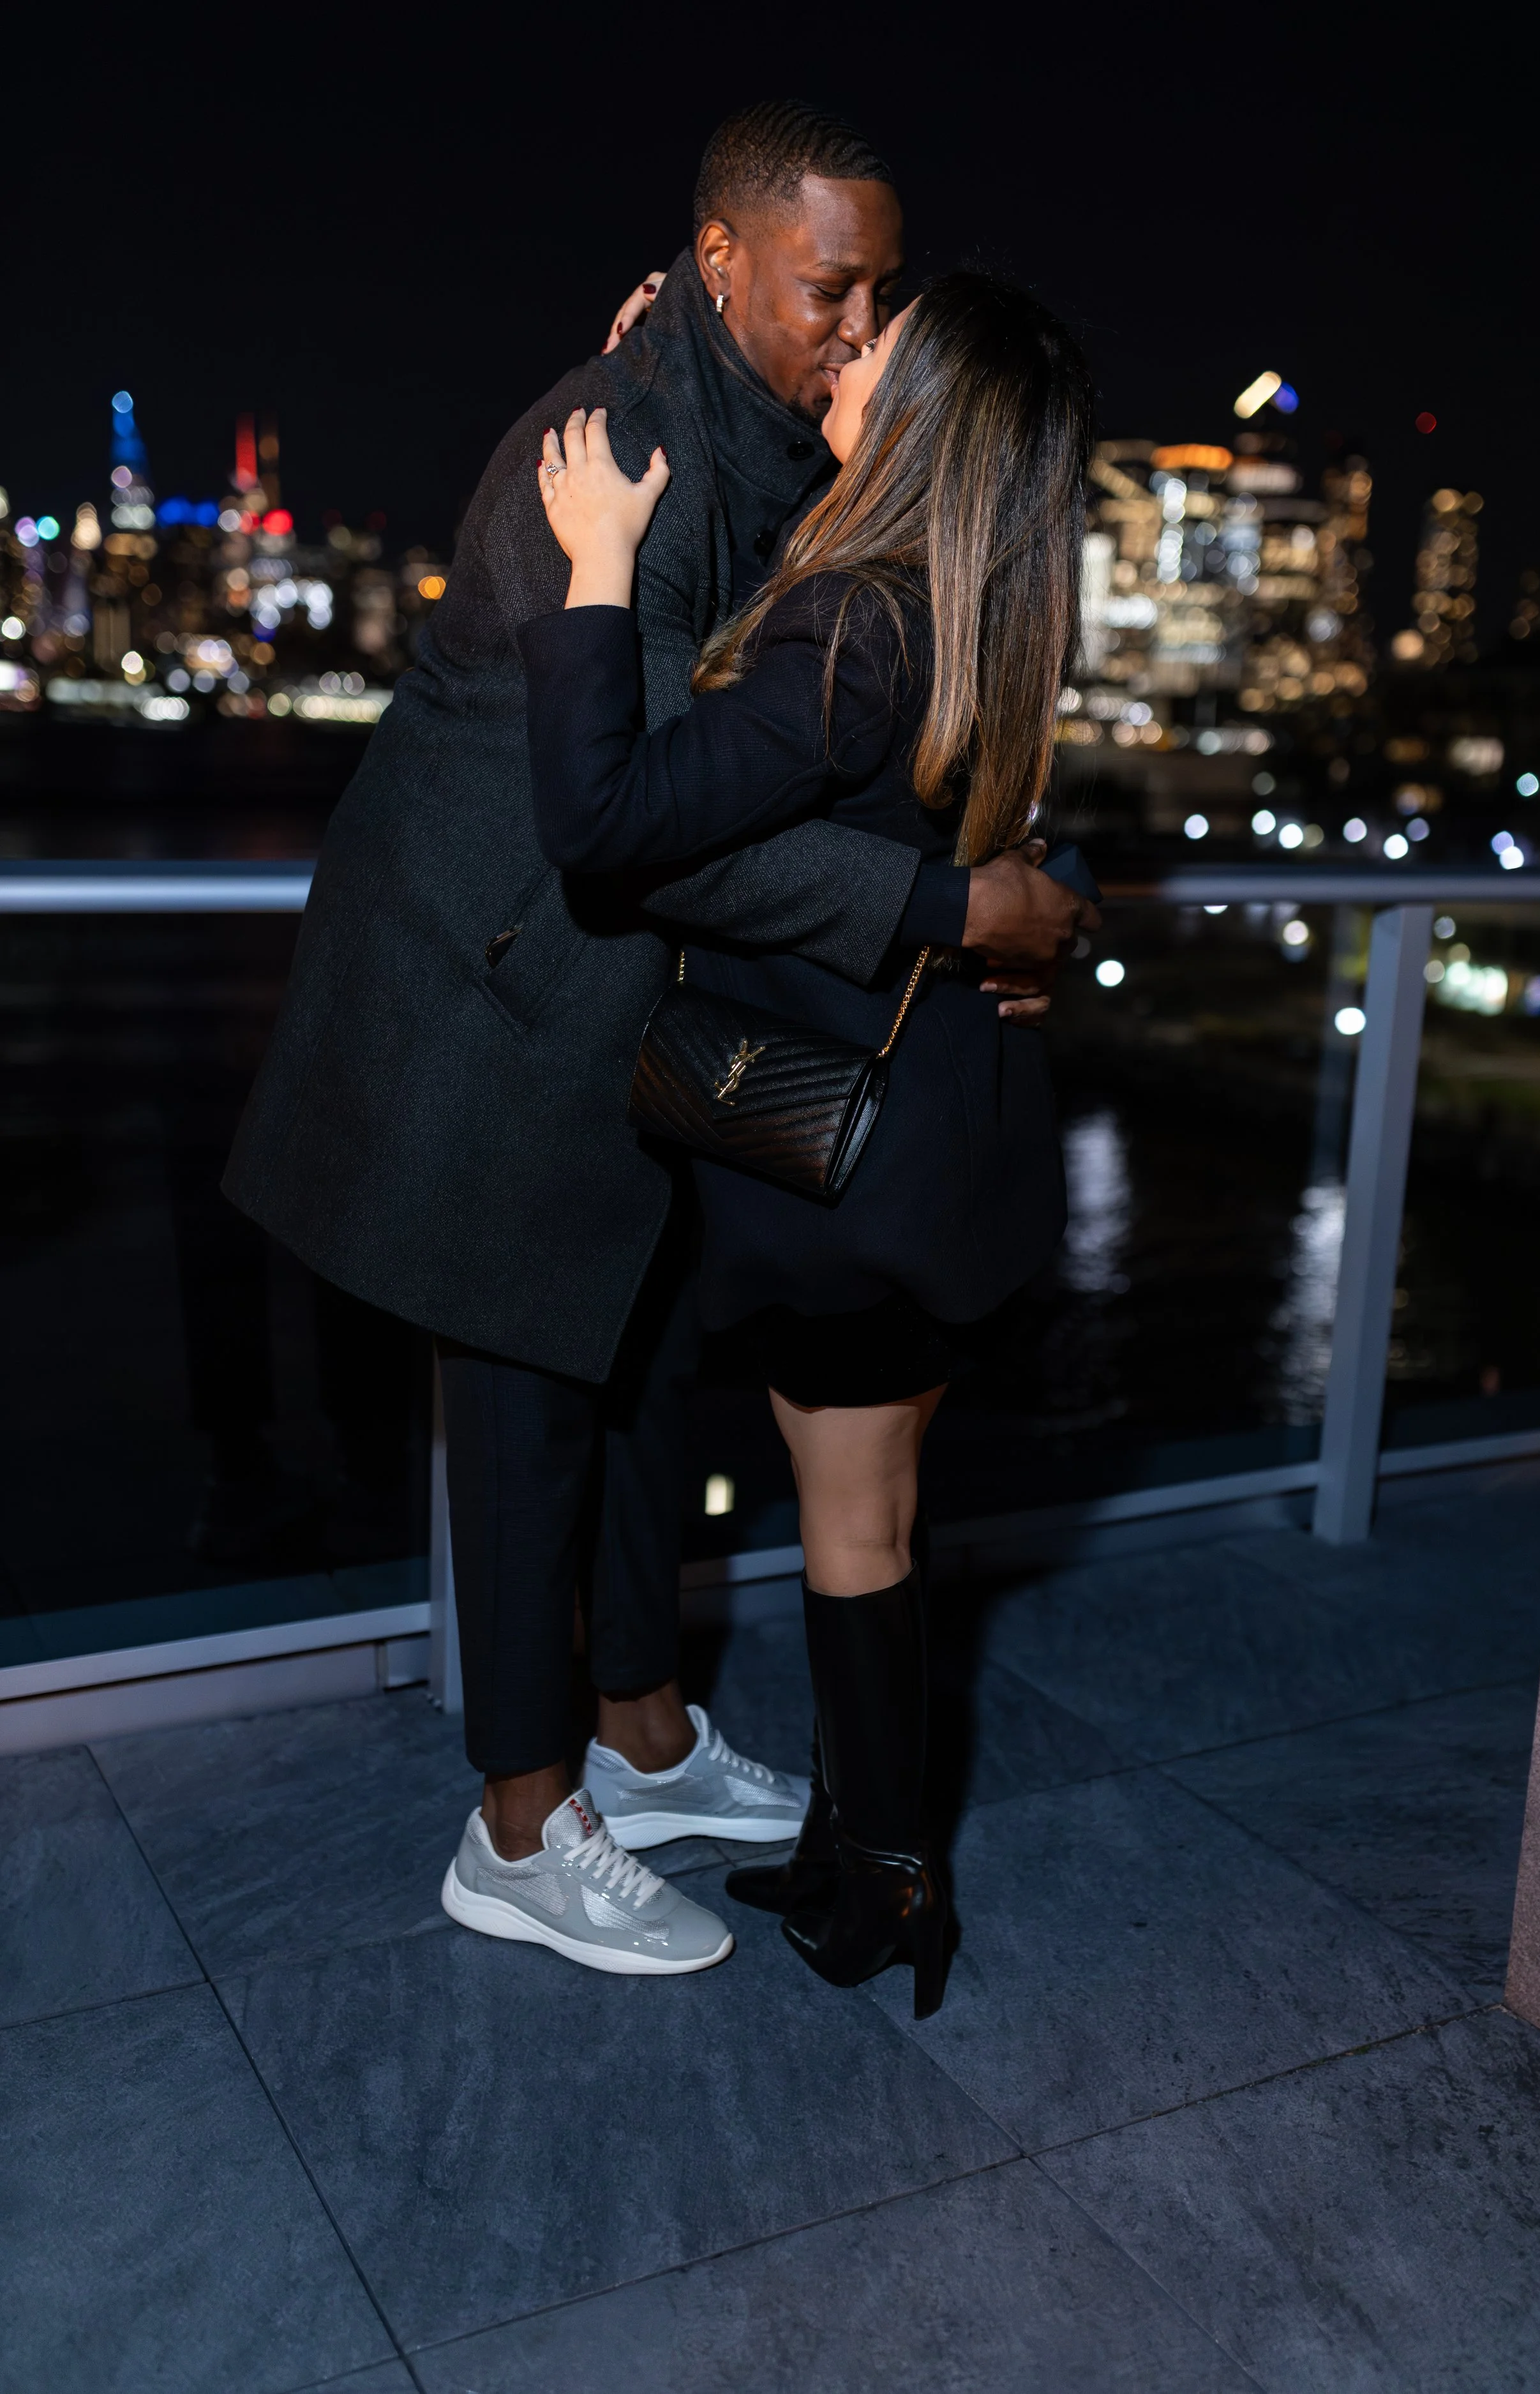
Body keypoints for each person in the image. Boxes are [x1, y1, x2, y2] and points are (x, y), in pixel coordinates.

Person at [225, 105, 1091, 1981]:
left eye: (877, 295)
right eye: (828, 290)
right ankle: (518, 1825)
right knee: (526, 1415)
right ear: (720, 264)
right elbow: (620, 828)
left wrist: (997, 889)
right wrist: (949, 912)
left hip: (622, 1003)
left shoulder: (750, 430)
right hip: (499, 995)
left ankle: (642, 1731)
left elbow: (839, 707)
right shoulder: (624, 451)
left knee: (627, 1387)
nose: (858, 329)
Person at [525, 271, 1096, 2017]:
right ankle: (857, 1841)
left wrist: (598, 562)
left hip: (843, 1161)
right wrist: (665, 369)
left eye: (877, 345)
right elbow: (983, 847)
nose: (846, 349)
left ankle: (894, 1881)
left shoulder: (852, 623)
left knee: (853, 1525)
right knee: (886, 1505)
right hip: (944, 1145)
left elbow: (607, 823)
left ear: (925, 415)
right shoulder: (985, 613)